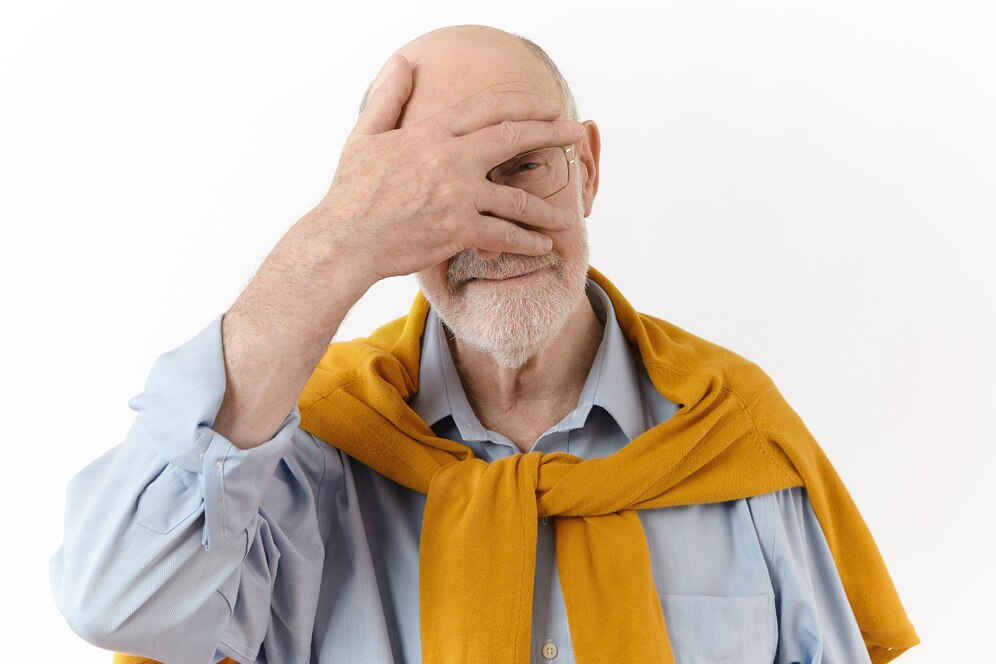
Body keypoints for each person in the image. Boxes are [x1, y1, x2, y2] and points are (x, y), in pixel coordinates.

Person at [51, 24, 919, 664]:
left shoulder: (732, 428)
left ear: (590, 167)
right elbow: (115, 600)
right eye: (432, 187)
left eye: (525, 165)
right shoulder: (305, 452)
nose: (491, 228)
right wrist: (332, 247)